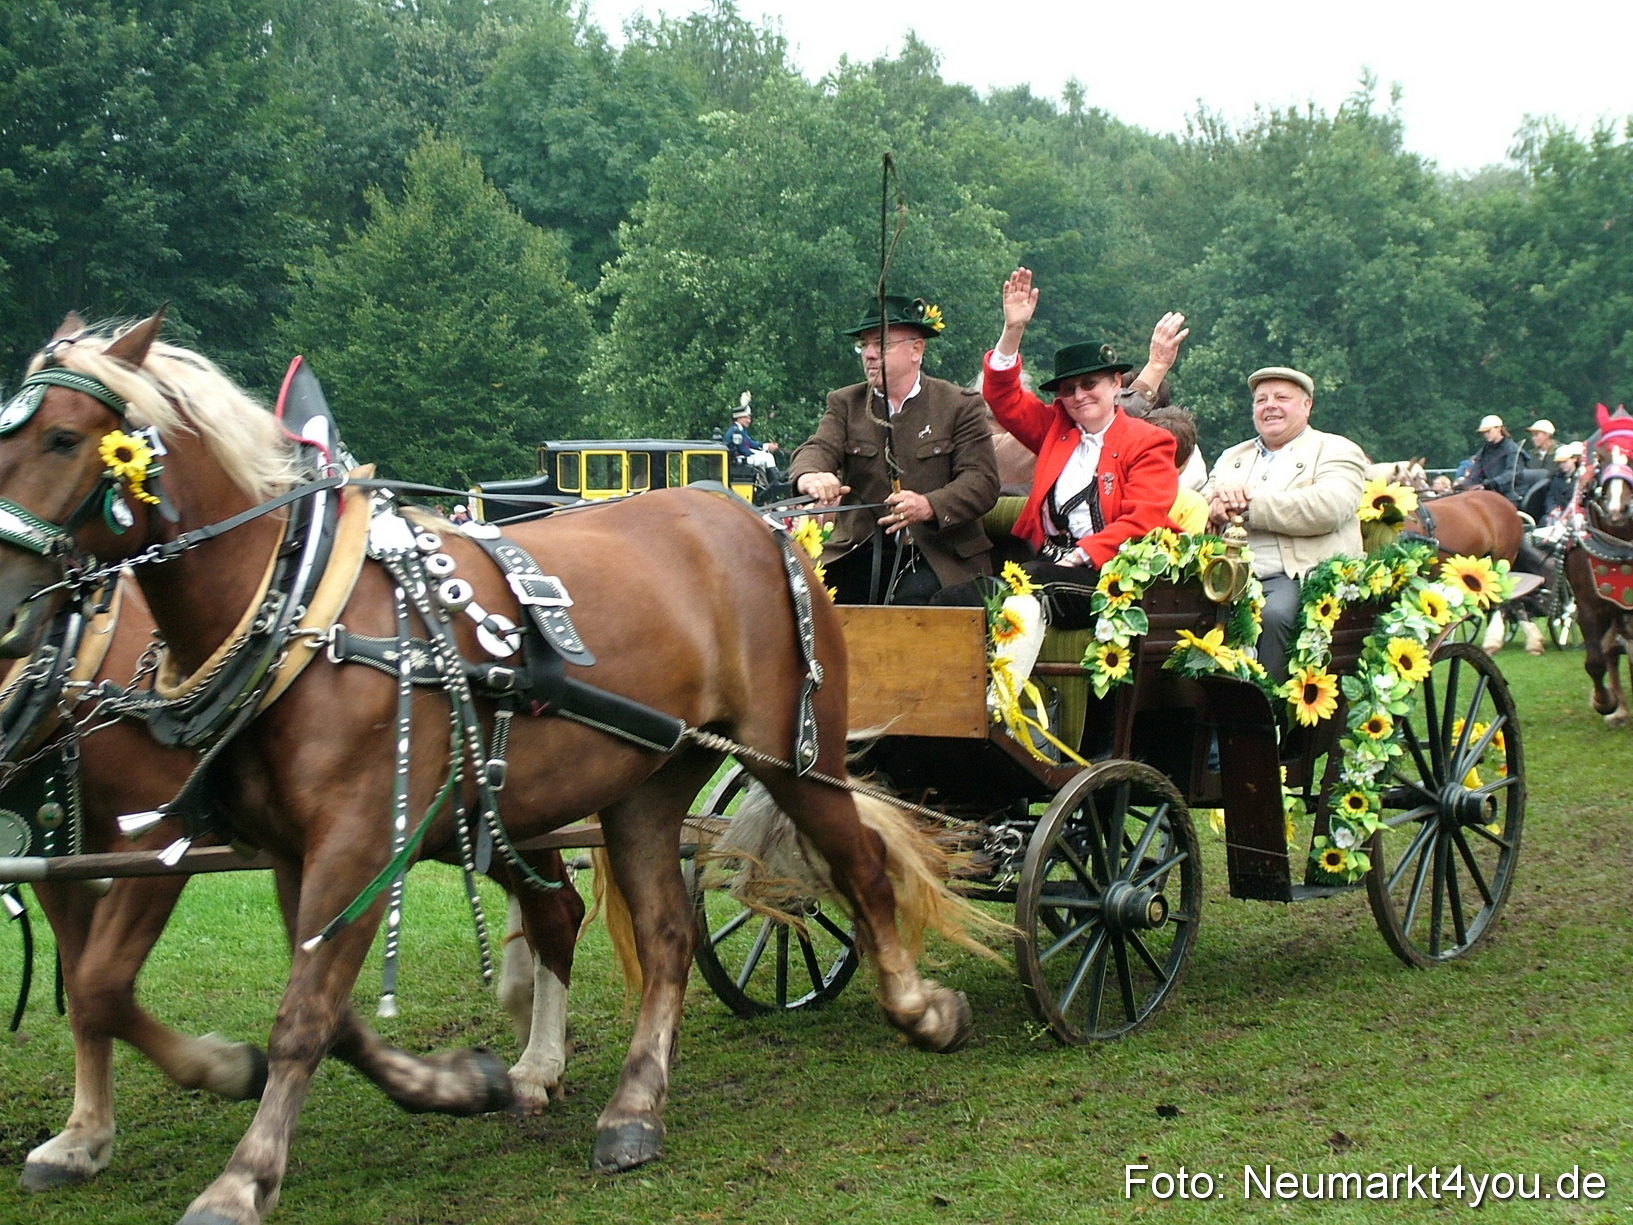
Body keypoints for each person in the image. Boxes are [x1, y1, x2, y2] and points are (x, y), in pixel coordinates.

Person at [959, 267, 1181, 628]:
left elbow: (1144, 521)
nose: (1078, 396)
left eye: (1089, 384)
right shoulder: (1055, 429)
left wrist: (1080, 557)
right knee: (956, 600)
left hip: (1112, 577)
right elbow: (1001, 395)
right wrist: (1012, 330)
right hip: (1046, 566)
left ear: (1115, 385)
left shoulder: (1148, 441)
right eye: (1067, 389)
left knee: (1019, 591)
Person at [788, 294, 999, 603]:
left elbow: (982, 482)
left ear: (916, 349)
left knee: (911, 607)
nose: (869, 354)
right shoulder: (846, 403)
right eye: (864, 345)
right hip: (860, 551)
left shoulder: (959, 405)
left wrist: (929, 505)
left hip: (939, 556)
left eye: (881, 345)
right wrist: (809, 477)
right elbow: (818, 447)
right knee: (799, 601)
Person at [1203, 366, 1366, 682]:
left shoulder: (1336, 449)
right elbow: (1203, 502)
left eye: (1282, 398)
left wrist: (1250, 504)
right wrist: (1216, 507)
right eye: (1261, 400)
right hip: (1225, 575)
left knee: (1273, 615)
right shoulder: (1231, 456)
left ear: (1307, 406)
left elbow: (1330, 506)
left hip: (1300, 573)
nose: (1270, 406)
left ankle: (1269, 714)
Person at [1457, 414, 1523, 504]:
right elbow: (1476, 474)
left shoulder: (1513, 449)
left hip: (1512, 494)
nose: (1486, 434)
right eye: (1484, 432)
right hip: (1491, 493)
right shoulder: (1484, 451)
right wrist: (1463, 486)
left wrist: (1493, 483)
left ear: (1498, 428)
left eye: (1488, 431)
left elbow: (1512, 473)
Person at [723, 393, 779, 472]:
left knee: (766, 456)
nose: (749, 421)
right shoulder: (735, 431)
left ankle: (771, 480)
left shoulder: (740, 429)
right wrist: (755, 453)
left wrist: (766, 446)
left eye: (749, 418)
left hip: (741, 456)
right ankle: (774, 482)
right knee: (768, 457)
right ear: (738, 418)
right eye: (746, 418)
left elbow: (749, 443)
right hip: (739, 459)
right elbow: (743, 450)